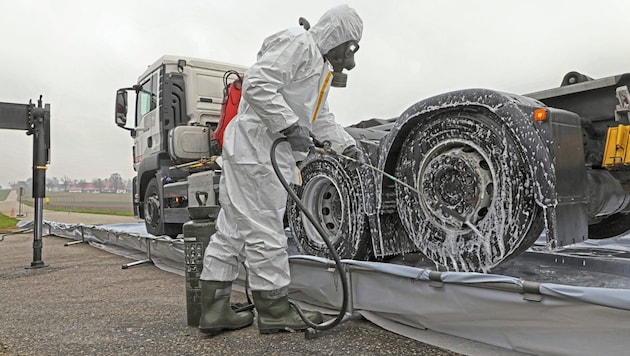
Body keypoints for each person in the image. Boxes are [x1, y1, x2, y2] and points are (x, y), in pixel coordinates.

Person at [198, 4, 365, 335]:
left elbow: (318, 117)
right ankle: (274, 309)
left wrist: (347, 146)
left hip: (251, 151)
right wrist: (289, 126)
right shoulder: (300, 45)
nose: (350, 58)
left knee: (231, 229)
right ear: (339, 37)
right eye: (350, 48)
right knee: (265, 229)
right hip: (258, 150)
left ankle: (213, 310)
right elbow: (258, 84)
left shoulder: (319, 68)